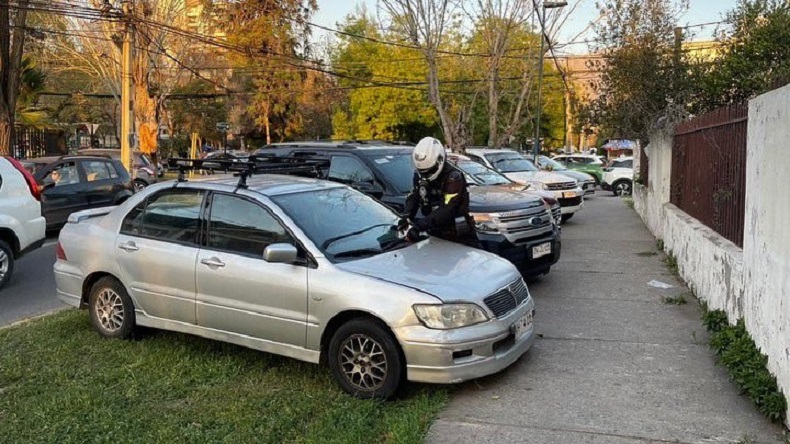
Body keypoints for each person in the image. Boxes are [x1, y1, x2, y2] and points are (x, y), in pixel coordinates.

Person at [401, 137, 479, 248]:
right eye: (422, 172)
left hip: (457, 231)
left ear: (440, 161)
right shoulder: (419, 176)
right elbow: (414, 196)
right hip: (433, 229)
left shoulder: (453, 178)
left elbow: (447, 209)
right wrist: (406, 216)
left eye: (429, 171)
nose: (425, 175)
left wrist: (419, 226)